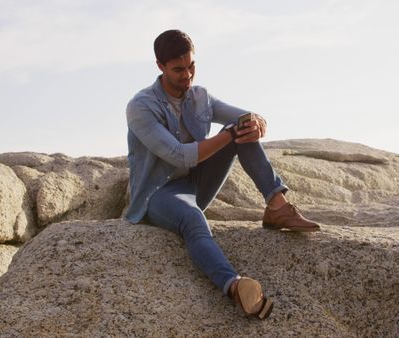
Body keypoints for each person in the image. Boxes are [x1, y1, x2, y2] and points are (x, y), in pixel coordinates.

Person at [124, 29, 320, 320]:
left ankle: (277, 206)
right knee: (193, 218)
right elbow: (178, 154)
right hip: (159, 195)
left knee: (243, 129)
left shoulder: (200, 96)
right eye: (178, 70)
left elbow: (247, 116)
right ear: (160, 66)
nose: (187, 75)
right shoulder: (141, 107)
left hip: (197, 183)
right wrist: (228, 135)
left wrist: (257, 123)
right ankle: (235, 285)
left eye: (191, 66)